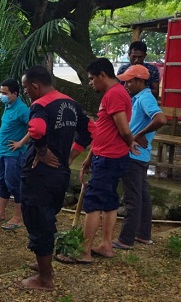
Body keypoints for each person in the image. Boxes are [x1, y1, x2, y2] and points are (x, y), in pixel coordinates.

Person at [19, 66, 92, 290]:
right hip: (60, 173)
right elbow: (89, 131)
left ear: (35, 86)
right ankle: (44, 264)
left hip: (40, 175)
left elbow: (37, 130)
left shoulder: (40, 104)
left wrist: (41, 151)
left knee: (37, 220)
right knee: (48, 217)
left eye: (26, 89)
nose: (26, 93)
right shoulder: (71, 103)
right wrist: (70, 156)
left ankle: (45, 279)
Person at [66, 58, 135, 264]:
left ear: (102, 75)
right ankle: (106, 245)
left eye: (91, 78)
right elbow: (106, 130)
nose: (90, 83)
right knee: (109, 201)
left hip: (109, 157)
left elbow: (122, 129)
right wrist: (90, 156)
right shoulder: (116, 93)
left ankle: (84, 251)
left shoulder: (114, 94)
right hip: (106, 154)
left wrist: (131, 142)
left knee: (94, 202)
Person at [113, 65, 167, 249]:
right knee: (142, 196)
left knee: (132, 199)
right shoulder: (138, 98)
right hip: (139, 155)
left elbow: (160, 119)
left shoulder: (145, 97)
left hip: (134, 155)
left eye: (128, 81)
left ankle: (126, 239)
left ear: (139, 81)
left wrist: (138, 135)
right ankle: (143, 234)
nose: (125, 84)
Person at [0, 79, 30, 230]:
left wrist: (21, 143)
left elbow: (34, 127)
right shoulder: (7, 106)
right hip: (2, 152)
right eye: (1, 92)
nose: (1, 95)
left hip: (14, 154)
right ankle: (0, 212)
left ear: (15, 93)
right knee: (2, 182)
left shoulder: (22, 109)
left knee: (14, 183)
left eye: (5, 93)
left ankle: (17, 217)